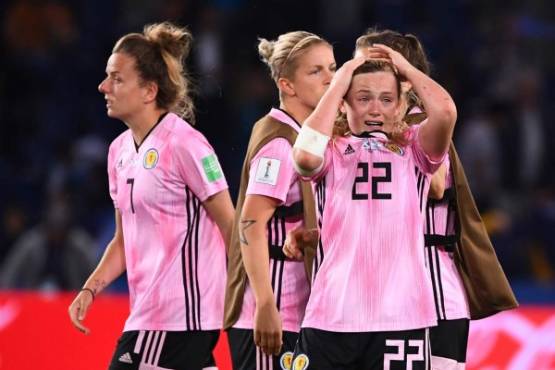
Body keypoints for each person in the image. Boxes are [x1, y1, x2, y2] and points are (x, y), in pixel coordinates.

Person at [67, 22, 234, 370]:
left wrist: (252, 300)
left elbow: (231, 225)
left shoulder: (185, 143)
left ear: (148, 91)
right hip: (155, 314)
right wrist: (89, 289)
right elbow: (123, 241)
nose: (103, 87)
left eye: (116, 78)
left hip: (177, 315)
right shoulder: (118, 153)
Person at [355, 29, 517, 370]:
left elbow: (436, 184)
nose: (352, 74)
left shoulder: (417, 125)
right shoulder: (372, 130)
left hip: (429, 288)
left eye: (362, 63)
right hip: (395, 286)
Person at [290, 43, 458, 369]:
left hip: (401, 317)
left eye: (386, 99)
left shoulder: (415, 147)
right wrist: (341, 79)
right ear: (343, 104)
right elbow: (305, 158)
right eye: (363, 98)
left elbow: (446, 112)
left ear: (400, 105)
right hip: (332, 315)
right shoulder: (331, 150)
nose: (375, 110)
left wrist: (406, 69)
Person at [223, 31, 335, 369]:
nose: (330, 78)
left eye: (332, 67)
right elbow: (251, 223)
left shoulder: (308, 139)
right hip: (273, 313)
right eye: (315, 71)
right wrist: (265, 304)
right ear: (287, 85)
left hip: (299, 309)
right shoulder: (279, 144)